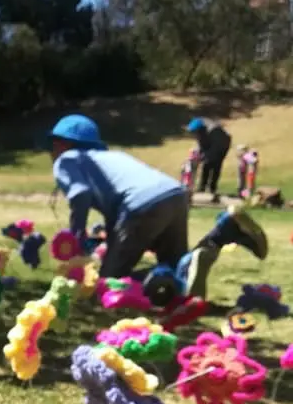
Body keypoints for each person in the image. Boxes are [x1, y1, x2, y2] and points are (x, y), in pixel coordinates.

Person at [49, 114, 267, 299]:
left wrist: (75, 240)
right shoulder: (111, 155)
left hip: (140, 204)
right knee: (180, 272)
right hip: (174, 195)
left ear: (62, 143)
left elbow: (80, 194)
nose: (52, 151)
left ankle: (164, 275)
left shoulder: (66, 159)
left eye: (54, 144)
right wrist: (112, 242)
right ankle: (224, 231)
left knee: (106, 286)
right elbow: (116, 213)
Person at [187, 118, 231, 203]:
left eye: (195, 132)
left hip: (222, 145)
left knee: (215, 165)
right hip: (210, 144)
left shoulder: (215, 131)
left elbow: (215, 149)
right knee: (206, 165)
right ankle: (202, 187)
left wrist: (205, 156)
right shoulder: (200, 131)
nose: (194, 134)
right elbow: (201, 143)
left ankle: (212, 188)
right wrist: (199, 155)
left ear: (200, 129)